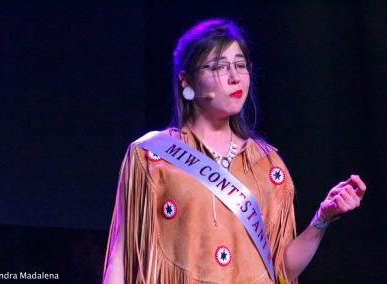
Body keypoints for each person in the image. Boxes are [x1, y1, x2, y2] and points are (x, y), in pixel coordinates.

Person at [102, 18, 367, 284]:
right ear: (186, 81)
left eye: (240, 65)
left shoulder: (268, 165)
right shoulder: (150, 156)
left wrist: (323, 217)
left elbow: (283, 270)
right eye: (218, 67)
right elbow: (122, 254)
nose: (234, 77)